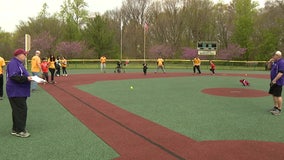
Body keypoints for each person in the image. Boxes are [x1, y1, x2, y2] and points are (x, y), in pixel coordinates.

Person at [6, 48, 32, 138]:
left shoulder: (18, 63)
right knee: (21, 110)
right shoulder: (14, 63)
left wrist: (29, 77)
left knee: (17, 110)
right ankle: (20, 130)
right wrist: (27, 78)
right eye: (24, 54)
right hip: (15, 91)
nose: (25, 56)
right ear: (19, 55)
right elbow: (14, 76)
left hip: (18, 91)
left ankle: (16, 129)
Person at [267, 51, 284, 116]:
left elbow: (281, 73)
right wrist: (270, 62)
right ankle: (275, 107)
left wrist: (275, 80)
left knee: (278, 95)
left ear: (278, 56)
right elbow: (268, 68)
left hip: (278, 82)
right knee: (274, 94)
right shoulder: (275, 62)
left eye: (274, 55)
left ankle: (279, 109)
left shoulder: (281, 62)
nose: (273, 56)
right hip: (273, 81)